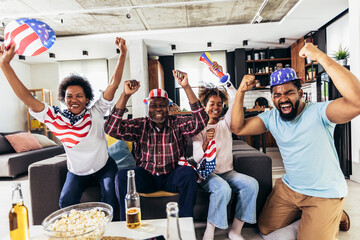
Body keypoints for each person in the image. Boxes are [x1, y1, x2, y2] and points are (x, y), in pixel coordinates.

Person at [230, 42, 360, 240]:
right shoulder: (271, 117)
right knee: (264, 228)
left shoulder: (319, 112)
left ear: (300, 93)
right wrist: (240, 92)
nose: (283, 99)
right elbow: (237, 127)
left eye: (289, 92)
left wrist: (321, 57)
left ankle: (333, 213)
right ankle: (319, 217)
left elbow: (357, 102)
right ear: (272, 97)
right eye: (277, 95)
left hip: (324, 193)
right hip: (291, 188)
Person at [0, 37, 128, 215]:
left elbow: (114, 84)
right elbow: (27, 98)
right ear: (64, 98)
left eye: (79, 96)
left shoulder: (96, 112)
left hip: (104, 166)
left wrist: (122, 54)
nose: (74, 100)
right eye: (69, 96)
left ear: (87, 99)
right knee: (66, 202)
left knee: (110, 197)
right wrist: (5, 65)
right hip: (76, 171)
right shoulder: (54, 117)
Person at [104, 71, 209, 221]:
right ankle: (126, 223)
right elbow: (111, 128)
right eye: (154, 105)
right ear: (148, 107)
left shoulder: (177, 123)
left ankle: (186, 224)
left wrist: (186, 87)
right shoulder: (140, 125)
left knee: (188, 173)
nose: (158, 109)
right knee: (122, 176)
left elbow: (201, 121)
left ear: (168, 107)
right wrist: (125, 95)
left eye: (162, 105)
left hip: (172, 175)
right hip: (146, 176)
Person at [192, 62, 258, 240]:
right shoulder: (198, 128)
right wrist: (206, 142)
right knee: (222, 189)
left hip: (228, 172)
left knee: (251, 184)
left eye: (219, 104)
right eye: (212, 103)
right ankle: (210, 231)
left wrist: (222, 78)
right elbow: (197, 157)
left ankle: (235, 230)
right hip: (207, 174)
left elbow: (237, 98)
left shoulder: (225, 123)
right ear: (204, 106)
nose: (216, 107)